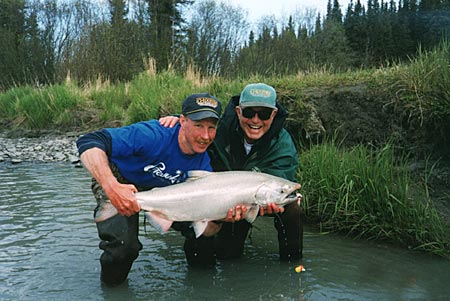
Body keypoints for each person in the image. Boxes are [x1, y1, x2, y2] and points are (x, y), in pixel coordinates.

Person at [77, 93, 243, 286]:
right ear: (182, 121)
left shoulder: (204, 166)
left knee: (204, 242)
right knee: (123, 247)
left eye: (211, 128)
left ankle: (201, 288)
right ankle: (111, 291)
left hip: (165, 195)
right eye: (198, 126)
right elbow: (88, 141)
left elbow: (206, 229)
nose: (205, 136)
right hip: (119, 178)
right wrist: (111, 187)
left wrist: (219, 217)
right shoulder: (152, 134)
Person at [160, 83, 303, 266]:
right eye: (249, 113)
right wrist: (178, 124)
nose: (256, 120)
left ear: (274, 114)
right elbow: (196, 130)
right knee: (224, 255)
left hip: (252, 200)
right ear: (238, 111)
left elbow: (281, 181)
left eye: (264, 114)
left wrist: (267, 205)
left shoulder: (282, 144)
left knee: (292, 208)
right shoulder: (217, 130)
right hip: (215, 199)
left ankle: (293, 266)